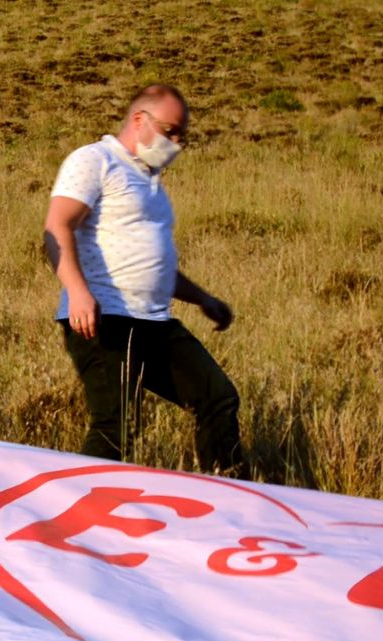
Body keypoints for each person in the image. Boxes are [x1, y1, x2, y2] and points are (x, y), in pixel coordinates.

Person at [43, 84, 247, 477]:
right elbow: (57, 227)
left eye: (181, 135)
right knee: (116, 426)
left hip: (154, 321)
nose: (176, 143)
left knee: (217, 398)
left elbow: (151, 263)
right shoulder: (95, 160)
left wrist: (202, 298)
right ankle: (76, 509)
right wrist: (78, 293)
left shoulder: (150, 181)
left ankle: (229, 500)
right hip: (103, 319)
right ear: (140, 120)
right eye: (170, 131)